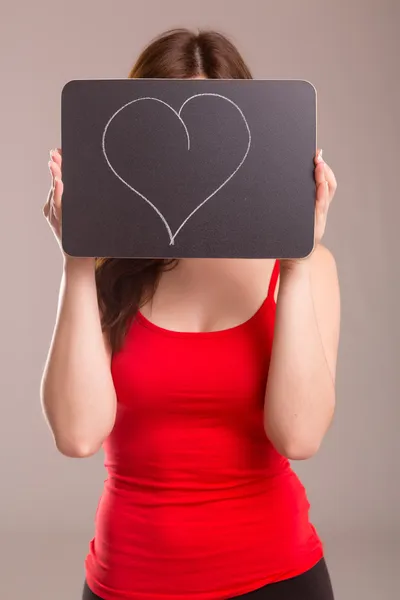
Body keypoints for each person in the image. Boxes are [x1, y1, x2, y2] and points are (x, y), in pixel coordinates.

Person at [41, 28, 340, 600]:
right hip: (129, 583)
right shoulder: (104, 273)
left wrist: (296, 259)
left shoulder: (306, 269)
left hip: (277, 578)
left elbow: (299, 436)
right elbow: (78, 435)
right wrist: (76, 257)